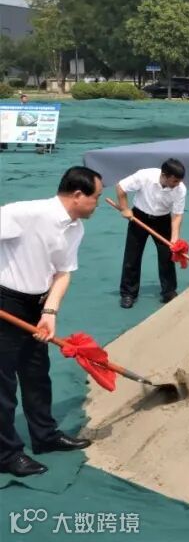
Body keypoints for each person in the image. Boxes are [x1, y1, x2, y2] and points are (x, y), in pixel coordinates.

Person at [0, 166, 103, 476]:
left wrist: (50, 312)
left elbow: (62, 272)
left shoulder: (75, 228)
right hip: (5, 302)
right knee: (3, 383)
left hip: (37, 305)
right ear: (78, 195)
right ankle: (6, 454)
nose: (98, 204)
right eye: (96, 198)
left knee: (36, 375)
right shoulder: (25, 213)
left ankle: (44, 436)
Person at [116, 159, 188, 308]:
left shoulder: (180, 189)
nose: (177, 184)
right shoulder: (144, 176)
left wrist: (174, 239)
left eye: (179, 181)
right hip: (139, 217)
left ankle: (169, 292)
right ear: (164, 175)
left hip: (163, 220)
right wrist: (125, 208)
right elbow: (121, 187)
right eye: (175, 181)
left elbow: (177, 215)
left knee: (167, 256)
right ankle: (128, 293)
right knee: (132, 256)